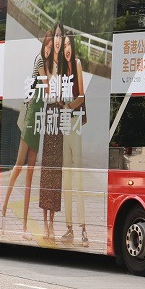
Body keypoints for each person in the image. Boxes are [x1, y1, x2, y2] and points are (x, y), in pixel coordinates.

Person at [1, 31, 53, 239]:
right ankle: (4, 211)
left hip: (38, 117)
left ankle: (23, 227)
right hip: (32, 115)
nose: (48, 49)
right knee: (18, 166)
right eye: (47, 45)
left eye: (51, 47)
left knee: (30, 173)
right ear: (43, 45)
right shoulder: (40, 60)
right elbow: (47, 87)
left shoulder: (47, 63)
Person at [61, 34, 89, 246]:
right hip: (64, 124)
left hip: (75, 123)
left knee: (78, 177)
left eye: (69, 44)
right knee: (66, 179)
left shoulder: (77, 64)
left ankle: (83, 229)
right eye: (64, 46)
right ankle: (69, 228)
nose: (67, 48)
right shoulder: (61, 70)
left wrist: (68, 106)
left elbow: (81, 96)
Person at [39, 22, 66, 242]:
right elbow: (47, 89)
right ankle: (45, 223)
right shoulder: (46, 62)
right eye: (55, 36)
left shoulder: (65, 64)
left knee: (56, 172)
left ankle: (53, 223)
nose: (56, 40)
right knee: (47, 170)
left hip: (61, 115)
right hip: (50, 113)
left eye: (59, 36)